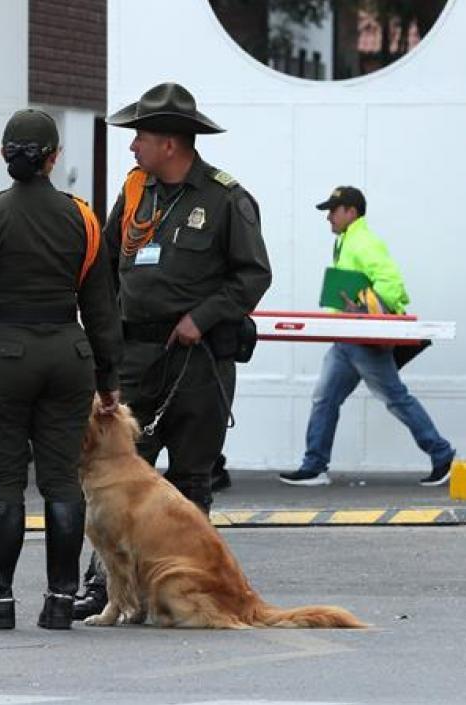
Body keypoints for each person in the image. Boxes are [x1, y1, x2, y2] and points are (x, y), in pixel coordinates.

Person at [73, 82, 272, 620]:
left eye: (140, 136)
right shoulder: (136, 193)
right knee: (117, 475)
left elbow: (253, 275)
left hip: (197, 359)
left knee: (190, 478)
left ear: (169, 144)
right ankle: (107, 587)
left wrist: (200, 318)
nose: (132, 145)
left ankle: (191, 585)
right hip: (135, 354)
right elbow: (105, 266)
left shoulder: (226, 199)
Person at [0, 109, 122, 631]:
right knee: (62, 481)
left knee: (4, 481)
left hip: (0, 356)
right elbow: (101, 308)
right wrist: (109, 381)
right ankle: (60, 600)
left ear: (3, 155)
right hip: (67, 354)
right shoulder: (83, 218)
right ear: (54, 158)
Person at [278, 186, 455, 488]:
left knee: (395, 398)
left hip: (362, 339)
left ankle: (442, 454)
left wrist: (363, 311)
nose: (328, 217)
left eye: (333, 211)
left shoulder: (363, 242)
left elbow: (392, 284)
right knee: (325, 399)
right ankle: (314, 466)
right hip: (347, 338)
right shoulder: (348, 241)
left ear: (351, 211)